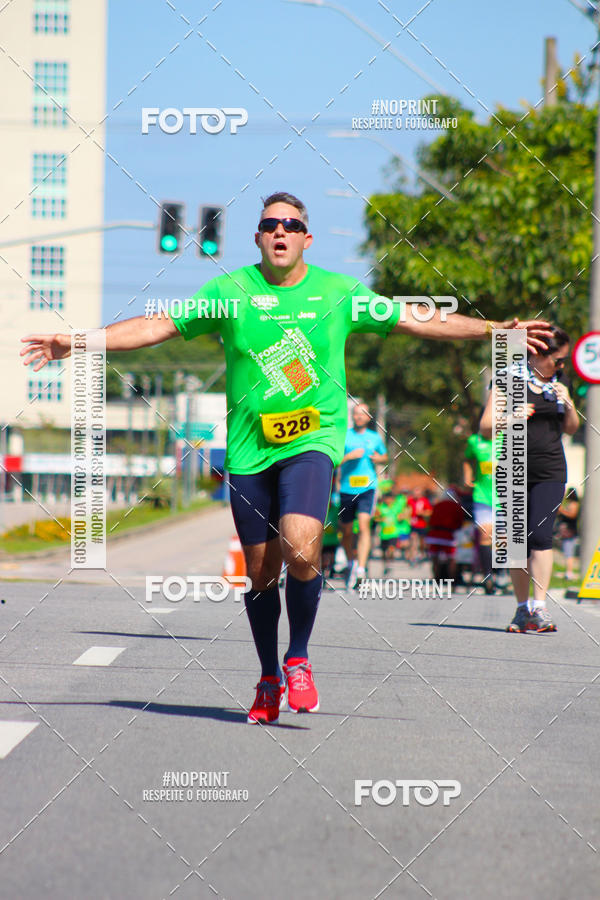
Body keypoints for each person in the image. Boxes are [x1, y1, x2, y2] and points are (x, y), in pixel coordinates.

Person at [21, 191, 552, 723]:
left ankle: (298, 656)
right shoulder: (228, 294)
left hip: (312, 440)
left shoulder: (337, 293)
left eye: (290, 225)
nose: (280, 231)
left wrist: (494, 329)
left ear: (305, 239)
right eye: (269, 224)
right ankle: (268, 676)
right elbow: (155, 326)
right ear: (257, 238)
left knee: (301, 549)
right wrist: (80, 342)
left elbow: (417, 318)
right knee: (261, 574)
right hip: (250, 452)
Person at [480, 325, 579, 632]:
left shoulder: (559, 383)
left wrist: (570, 403)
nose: (561, 366)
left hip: (551, 469)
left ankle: (541, 607)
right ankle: (522, 609)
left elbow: (571, 428)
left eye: (563, 362)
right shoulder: (507, 378)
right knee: (515, 543)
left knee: (541, 536)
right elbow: (485, 426)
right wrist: (511, 417)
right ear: (537, 354)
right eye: (557, 360)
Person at [339, 403, 387, 588]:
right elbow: (334, 461)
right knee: (347, 531)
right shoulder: (345, 436)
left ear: (368, 417)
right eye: (356, 414)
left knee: (364, 524)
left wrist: (379, 458)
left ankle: (360, 568)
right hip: (346, 488)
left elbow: (384, 457)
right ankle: (350, 562)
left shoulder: (374, 438)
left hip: (367, 487)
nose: (359, 417)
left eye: (362, 414)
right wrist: (348, 457)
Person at [463, 430, 499, 594]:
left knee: (503, 538)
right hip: (482, 495)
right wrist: (468, 476)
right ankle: (488, 575)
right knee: (485, 534)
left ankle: (502, 573)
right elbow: (468, 459)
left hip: (506, 496)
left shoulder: (512, 436)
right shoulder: (474, 440)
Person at [557, 488, 580, 581]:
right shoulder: (569, 504)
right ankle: (568, 571)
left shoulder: (574, 504)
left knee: (569, 553)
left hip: (570, 532)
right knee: (567, 553)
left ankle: (569, 572)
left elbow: (572, 515)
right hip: (566, 532)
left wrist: (562, 510)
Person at [407, 486, 433, 564]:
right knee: (413, 540)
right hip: (413, 524)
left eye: (418, 494)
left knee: (422, 542)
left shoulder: (424, 501)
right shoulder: (409, 500)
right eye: (415, 494)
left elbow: (430, 511)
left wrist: (422, 513)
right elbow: (405, 509)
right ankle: (412, 557)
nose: (416, 495)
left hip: (422, 525)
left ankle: (422, 554)